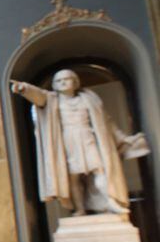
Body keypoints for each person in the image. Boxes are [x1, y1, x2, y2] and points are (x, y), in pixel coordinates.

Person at [11, 70, 149, 215]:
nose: (63, 82)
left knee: (99, 169)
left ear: (75, 82)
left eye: (66, 79)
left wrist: (123, 138)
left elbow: (106, 123)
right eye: (59, 81)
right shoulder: (52, 99)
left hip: (87, 137)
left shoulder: (89, 99)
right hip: (67, 141)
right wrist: (24, 89)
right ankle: (80, 208)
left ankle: (111, 201)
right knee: (73, 177)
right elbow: (38, 95)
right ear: (54, 85)